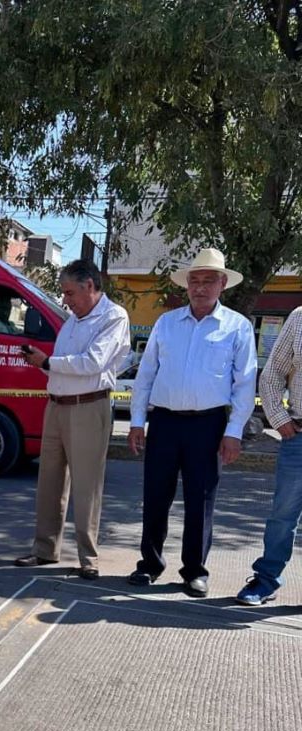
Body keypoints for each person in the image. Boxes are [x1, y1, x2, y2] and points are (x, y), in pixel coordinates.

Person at [128, 248, 257, 597]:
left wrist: (233, 432)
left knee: (201, 499)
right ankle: (149, 564)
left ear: (222, 284)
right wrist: (137, 421)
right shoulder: (166, 323)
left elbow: (245, 384)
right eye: (194, 281)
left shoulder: (237, 327)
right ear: (187, 285)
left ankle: (195, 571)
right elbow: (146, 375)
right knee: (155, 495)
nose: (200, 288)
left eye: (208, 281)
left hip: (208, 424)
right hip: (165, 422)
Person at [15, 259, 130, 578]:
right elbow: (65, 364)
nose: (65, 300)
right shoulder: (73, 320)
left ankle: (88, 557)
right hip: (57, 404)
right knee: (49, 481)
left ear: (89, 286)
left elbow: (92, 363)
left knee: (87, 485)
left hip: (88, 406)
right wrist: (42, 363)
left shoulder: (113, 316)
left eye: (69, 293)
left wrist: (48, 362)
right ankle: (44, 549)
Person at [235, 307, 302, 605]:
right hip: (299, 436)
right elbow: (273, 372)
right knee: (283, 515)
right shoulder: (300, 318)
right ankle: (266, 580)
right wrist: (279, 419)